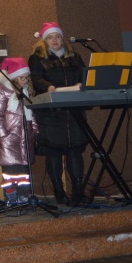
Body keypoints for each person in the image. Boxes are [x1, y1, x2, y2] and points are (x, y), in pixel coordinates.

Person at [28, 21, 89, 205]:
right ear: (44, 41)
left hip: (74, 112)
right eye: (50, 37)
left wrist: (83, 84)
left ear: (62, 38)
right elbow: (36, 79)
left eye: (57, 37)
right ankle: (59, 193)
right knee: (53, 151)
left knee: (75, 151)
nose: (54, 40)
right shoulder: (37, 58)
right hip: (51, 113)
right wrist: (48, 86)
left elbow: (85, 75)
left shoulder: (74, 56)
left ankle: (78, 192)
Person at [0, 58, 38, 206]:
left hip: (25, 135)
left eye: (27, 78)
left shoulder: (26, 91)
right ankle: (11, 195)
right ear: (13, 77)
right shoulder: (2, 91)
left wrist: (34, 129)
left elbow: (31, 112)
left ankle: (24, 195)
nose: (25, 81)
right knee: (10, 169)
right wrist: (3, 135)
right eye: (22, 78)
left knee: (24, 169)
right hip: (9, 137)